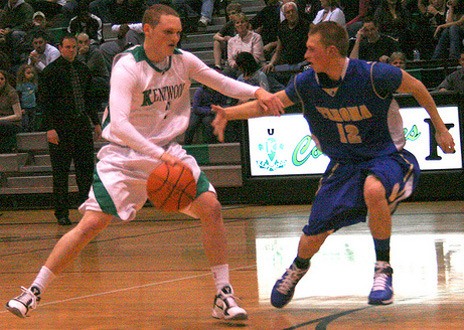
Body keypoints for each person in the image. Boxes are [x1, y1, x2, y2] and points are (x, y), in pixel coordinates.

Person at [5, 4, 283, 321]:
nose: (175, 38)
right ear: (147, 30)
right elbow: (120, 125)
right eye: (168, 32)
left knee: (211, 207)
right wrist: (159, 155)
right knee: (90, 226)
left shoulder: (182, 60)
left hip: (166, 150)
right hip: (125, 155)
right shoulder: (128, 66)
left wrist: (257, 91)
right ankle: (33, 292)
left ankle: (223, 295)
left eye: (178, 32)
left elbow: (219, 82)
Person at [211, 21, 456, 308]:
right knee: (314, 234)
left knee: (374, 189)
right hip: (344, 164)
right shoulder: (306, 83)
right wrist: (229, 113)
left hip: (387, 156)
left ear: (330, 51)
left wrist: (440, 128)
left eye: (311, 49)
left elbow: (416, 86)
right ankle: (298, 268)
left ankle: (382, 269)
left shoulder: (373, 74)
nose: (306, 54)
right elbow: (271, 104)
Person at [39, 34, 102, 226]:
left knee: (85, 171)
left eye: (74, 47)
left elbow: (89, 99)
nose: (71, 50)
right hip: (60, 127)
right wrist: (50, 128)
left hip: (81, 125)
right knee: (61, 172)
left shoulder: (83, 70)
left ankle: (86, 209)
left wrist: (96, 122)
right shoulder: (50, 72)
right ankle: (62, 213)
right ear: (60, 47)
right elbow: (45, 103)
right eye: (67, 47)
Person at [263, 1, 310, 85]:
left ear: (297, 12)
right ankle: (283, 91)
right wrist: (271, 63)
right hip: (287, 65)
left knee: (307, 70)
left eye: (293, 11)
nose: (291, 14)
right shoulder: (282, 27)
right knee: (266, 72)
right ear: (285, 15)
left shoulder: (307, 25)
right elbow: (278, 50)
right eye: (288, 12)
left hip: (304, 65)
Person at [225, 13, 265, 78]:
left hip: (252, 67)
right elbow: (230, 60)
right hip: (236, 67)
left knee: (241, 74)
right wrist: (237, 64)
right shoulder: (231, 41)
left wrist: (242, 65)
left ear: (246, 23)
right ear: (235, 25)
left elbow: (256, 58)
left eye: (242, 22)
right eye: (237, 23)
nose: (240, 24)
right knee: (226, 73)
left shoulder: (256, 37)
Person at [212, 2, 242, 70]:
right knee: (217, 42)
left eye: (233, 13)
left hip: (242, 46)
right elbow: (215, 36)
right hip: (230, 47)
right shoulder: (229, 24)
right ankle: (218, 66)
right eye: (229, 14)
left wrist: (233, 39)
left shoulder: (244, 23)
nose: (231, 16)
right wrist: (224, 39)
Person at [0, 69, 22, 153]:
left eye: (2, 79)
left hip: (13, 123)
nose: (0, 81)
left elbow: (18, 115)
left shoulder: (11, 93)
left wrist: (1, 119)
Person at [16, 64, 39, 132]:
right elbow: (18, 96)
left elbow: (36, 94)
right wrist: (20, 108)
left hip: (33, 106)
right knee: (25, 123)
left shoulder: (34, 84)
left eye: (32, 73)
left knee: (32, 123)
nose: (31, 75)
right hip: (24, 107)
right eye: (28, 73)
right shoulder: (21, 85)